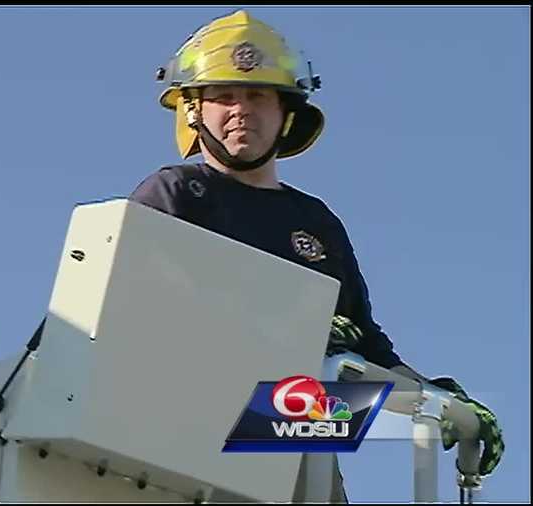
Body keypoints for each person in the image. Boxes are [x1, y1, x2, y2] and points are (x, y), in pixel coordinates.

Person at [131, 9, 504, 502]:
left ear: (287, 113)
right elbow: (134, 320)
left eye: (259, 94)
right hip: (183, 439)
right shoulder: (176, 195)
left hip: (290, 437)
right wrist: (287, 325)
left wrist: (436, 402)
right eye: (224, 95)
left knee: (334, 400)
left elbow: (365, 349)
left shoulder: (315, 223)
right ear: (194, 111)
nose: (241, 109)